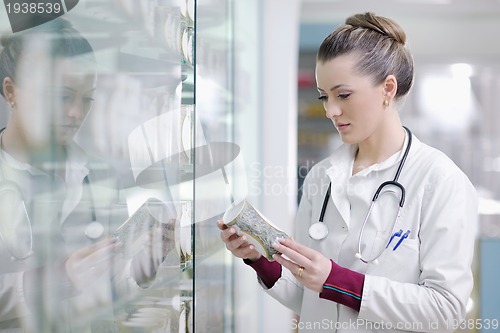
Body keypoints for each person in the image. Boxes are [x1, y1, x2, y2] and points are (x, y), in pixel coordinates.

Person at [219, 12, 477, 332]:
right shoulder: (321, 178)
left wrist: (337, 279)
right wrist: (261, 261)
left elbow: (445, 310)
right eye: (324, 97)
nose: (331, 111)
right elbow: (311, 295)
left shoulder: (440, 181)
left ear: (387, 89)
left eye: (343, 95)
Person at [0, 18, 169, 331]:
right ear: (12, 91)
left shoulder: (99, 175)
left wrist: (144, 265)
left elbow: (111, 286)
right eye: (63, 96)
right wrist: (58, 279)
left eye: (86, 98)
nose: (76, 113)